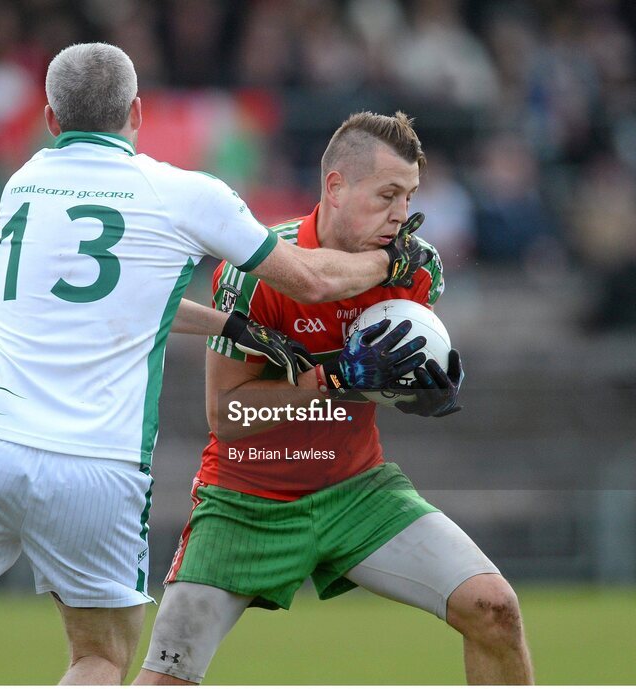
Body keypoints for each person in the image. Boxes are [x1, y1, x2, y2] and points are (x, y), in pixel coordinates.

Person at [0, 44, 432, 685]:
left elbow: (122, 296)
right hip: (94, 464)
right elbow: (313, 280)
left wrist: (231, 323)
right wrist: (392, 261)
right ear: (137, 113)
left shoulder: (22, 183)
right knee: (98, 658)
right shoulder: (185, 193)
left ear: (51, 120)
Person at [135, 112, 535, 685]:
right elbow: (227, 417)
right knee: (167, 675)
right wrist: (332, 378)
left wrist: (428, 385)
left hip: (356, 490)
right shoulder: (256, 269)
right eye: (388, 195)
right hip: (248, 501)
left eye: (410, 196)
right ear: (336, 187)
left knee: (495, 610)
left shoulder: (414, 269)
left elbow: (399, 361)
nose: (401, 215)